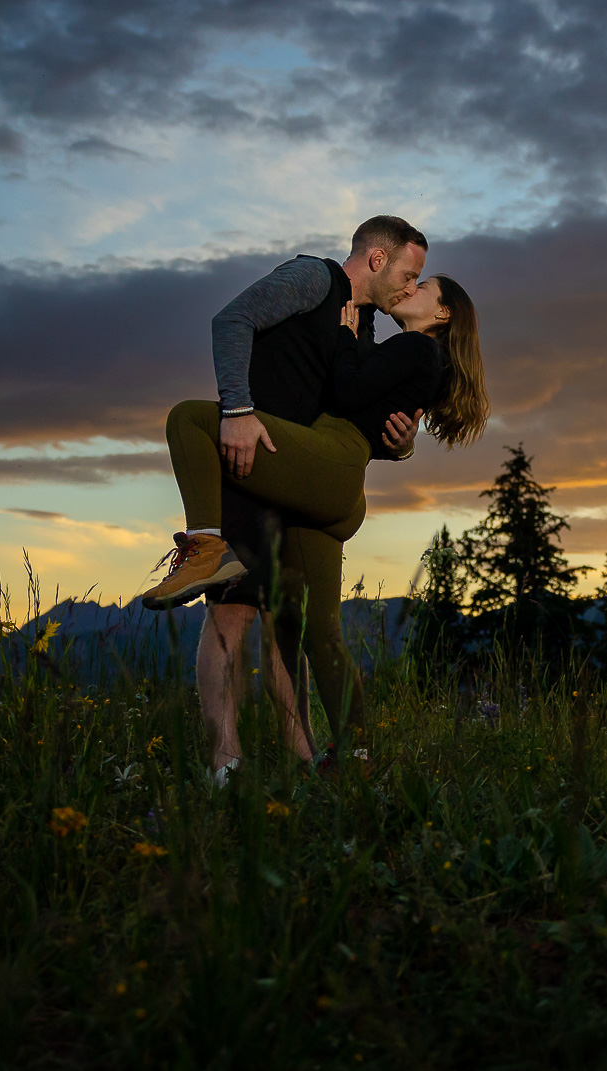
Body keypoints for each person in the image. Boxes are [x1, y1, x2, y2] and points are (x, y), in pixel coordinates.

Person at [190, 274, 487, 778]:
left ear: (444, 314)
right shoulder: (416, 354)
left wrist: (347, 339)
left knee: (190, 420)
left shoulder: (414, 347)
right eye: (411, 280)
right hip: (334, 481)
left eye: (423, 286)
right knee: (315, 629)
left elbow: (347, 391)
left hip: (329, 470)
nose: (410, 289)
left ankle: (203, 547)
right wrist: (402, 440)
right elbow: (379, 416)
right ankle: (347, 756)